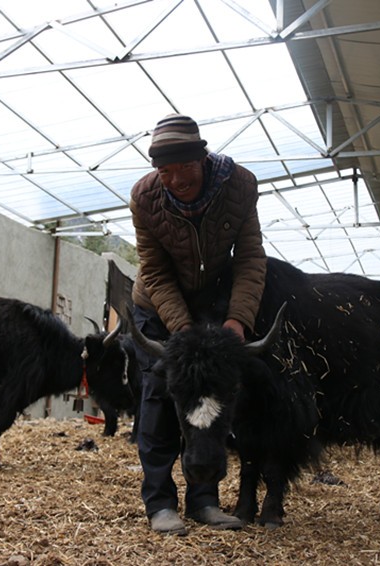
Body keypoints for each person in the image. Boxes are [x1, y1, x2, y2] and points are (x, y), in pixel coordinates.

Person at [129, 114, 267, 535]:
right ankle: (160, 503)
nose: (175, 180)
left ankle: (204, 500)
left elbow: (250, 257)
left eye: (185, 167)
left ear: (203, 159)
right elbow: (154, 271)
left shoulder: (240, 185)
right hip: (157, 308)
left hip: (213, 307)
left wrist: (238, 319)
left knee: (210, 399)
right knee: (158, 397)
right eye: (164, 171)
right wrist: (182, 331)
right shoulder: (144, 197)